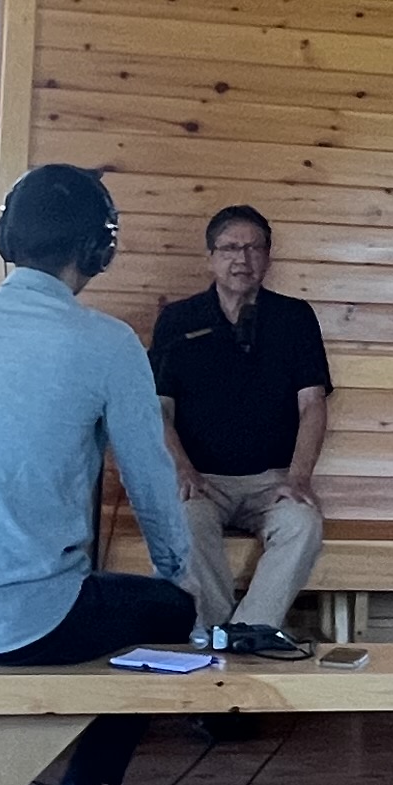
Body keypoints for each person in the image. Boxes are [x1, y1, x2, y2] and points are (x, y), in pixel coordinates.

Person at [0, 163, 198, 785]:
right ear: (98, 248)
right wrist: (177, 571)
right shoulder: (108, 343)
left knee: (89, 592)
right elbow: (150, 479)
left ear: (6, 237)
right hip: (26, 622)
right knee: (168, 611)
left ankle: (17, 769)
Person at [149, 203, 332, 659]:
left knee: (303, 523)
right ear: (211, 257)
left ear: (268, 258)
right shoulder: (178, 319)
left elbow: (313, 404)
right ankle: (214, 634)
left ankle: (249, 632)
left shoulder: (295, 318)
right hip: (203, 481)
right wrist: (184, 472)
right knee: (185, 523)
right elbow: (159, 410)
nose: (242, 259)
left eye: (254, 248)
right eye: (230, 248)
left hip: (272, 481)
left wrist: (299, 478)